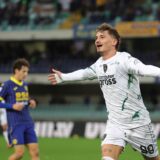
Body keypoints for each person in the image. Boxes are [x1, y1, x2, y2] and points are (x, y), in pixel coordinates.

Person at [48, 23, 160, 160]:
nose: (97, 40)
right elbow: (84, 73)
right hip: (115, 124)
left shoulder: (124, 59)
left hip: (139, 124)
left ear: (114, 41)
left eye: (102, 37)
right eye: (96, 37)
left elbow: (144, 68)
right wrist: (64, 77)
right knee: (107, 156)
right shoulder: (99, 64)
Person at [0, 58, 40, 160]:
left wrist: (30, 101)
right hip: (16, 124)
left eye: (27, 72)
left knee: (35, 153)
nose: (26, 74)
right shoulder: (7, 85)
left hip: (28, 122)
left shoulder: (25, 85)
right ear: (16, 71)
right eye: (24, 71)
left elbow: (24, 101)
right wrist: (11, 106)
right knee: (19, 154)